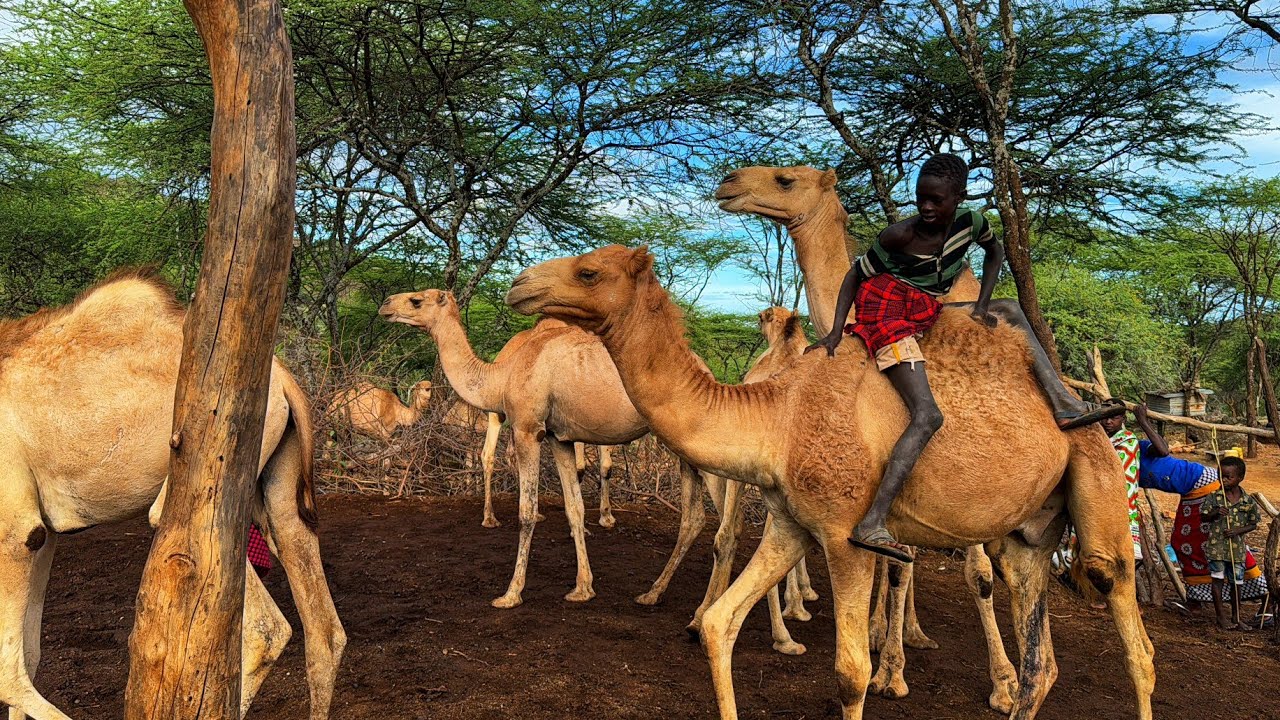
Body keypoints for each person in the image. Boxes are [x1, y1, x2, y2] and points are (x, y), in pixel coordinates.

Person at [805, 153, 1123, 563]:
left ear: (959, 197)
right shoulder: (898, 237)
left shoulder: (971, 223)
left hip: (925, 309)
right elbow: (854, 276)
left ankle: (1063, 404)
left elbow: (995, 253)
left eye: (936, 200)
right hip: (888, 316)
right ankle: (873, 521)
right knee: (927, 415)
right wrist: (834, 332)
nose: (926, 207)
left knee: (1008, 308)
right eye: (921, 198)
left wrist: (982, 305)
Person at [1132, 408, 1269, 608]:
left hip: (1203, 482)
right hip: (1191, 491)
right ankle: (1198, 595)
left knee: (1216, 540)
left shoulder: (1137, 446)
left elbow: (1163, 450)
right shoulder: (1116, 456)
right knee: (1183, 542)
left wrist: (1142, 420)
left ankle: (1260, 591)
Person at [1200, 456, 1260, 629]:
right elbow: (1203, 517)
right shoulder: (1214, 497)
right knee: (1217, 581)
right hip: (1217, 548)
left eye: (1228, 477)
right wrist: (1215, 513)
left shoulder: (1247, 501)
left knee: (1236, 583)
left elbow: (1253, 523)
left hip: (1237, 551)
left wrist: (1237, 531)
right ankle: (1221, 617)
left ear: (1240, 478)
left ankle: (1236, 617)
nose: (1223, 480)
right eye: (1221, 476)